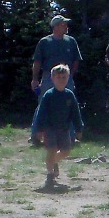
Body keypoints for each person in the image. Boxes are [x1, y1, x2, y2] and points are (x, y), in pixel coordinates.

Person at [29, 14, 83, 144]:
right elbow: (37, 62)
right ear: (56, 26)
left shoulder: (71, 41)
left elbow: (76, 60)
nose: (66, 27)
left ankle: (70, 137)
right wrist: (35, 79)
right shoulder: (45, 42)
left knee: (68, 104)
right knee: (43, 104)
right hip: (49, 76)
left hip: (66, 77)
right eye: (63, 24)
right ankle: (36, 136)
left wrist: (70, 75)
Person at [35, 64, 84, 189]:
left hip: (64, 129)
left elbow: (75, 113)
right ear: (53, 78)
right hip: (50, 128)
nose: (61, 80)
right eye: (58, 77)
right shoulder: (48, 95)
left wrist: (79, 128)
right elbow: (41, 114)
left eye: (64, 77)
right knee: (51, 150)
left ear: (68, 78)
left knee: (66, 151)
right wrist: (39, 130)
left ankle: (53, 161)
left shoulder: (69, 95)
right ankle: (50, 175)